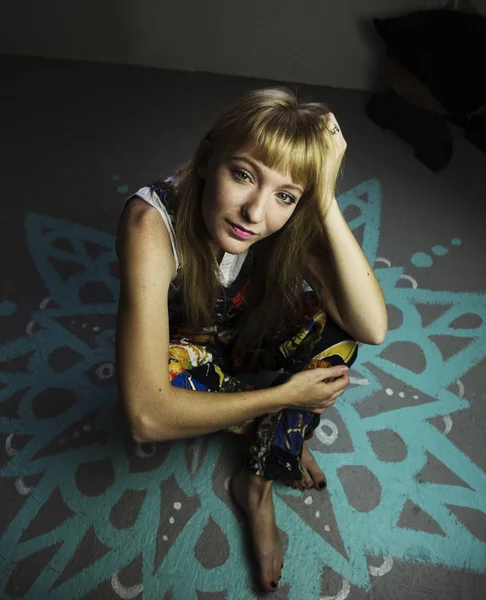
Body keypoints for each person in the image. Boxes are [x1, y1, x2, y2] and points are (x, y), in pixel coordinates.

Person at [115, 87, 387, 593]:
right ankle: (278, 434)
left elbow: (371, 325)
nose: (255, 213)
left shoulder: (281, 216)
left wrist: (321, 196)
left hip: (247, 332)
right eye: (242, 175)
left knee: (340, 333)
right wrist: (287, 399)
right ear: (208, 157)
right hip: (186, 350)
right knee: (169, 381)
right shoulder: (150, 224)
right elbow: (144, 417)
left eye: (285, 195)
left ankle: (255, 483)